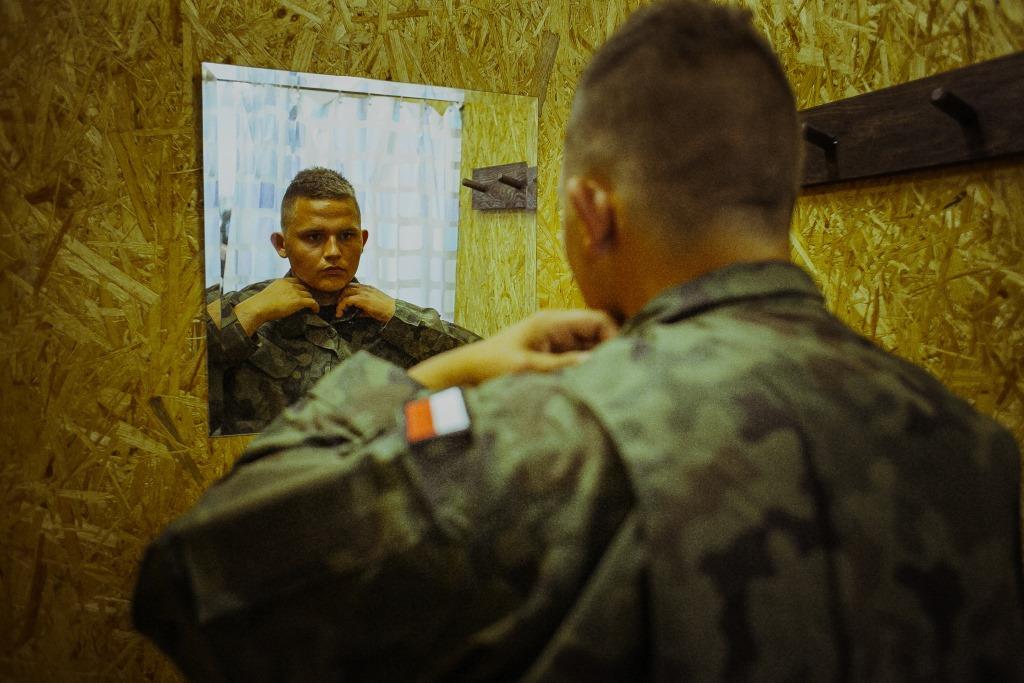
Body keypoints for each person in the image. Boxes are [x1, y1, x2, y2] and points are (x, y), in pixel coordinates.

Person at [135, 1, 1024, 680]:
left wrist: (437, 379)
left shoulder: (547, 440)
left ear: (591, 211)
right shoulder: (981, 454)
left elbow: (190, 582)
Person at [206, 167, 480, 435]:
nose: (333, 252)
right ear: (281, 244)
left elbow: (482, 364)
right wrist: (252, 312)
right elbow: (184, 375)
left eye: (347, 236)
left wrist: (398, 315)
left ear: (362, 240)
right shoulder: (245, 307)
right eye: (314, 237)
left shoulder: (385, 317)